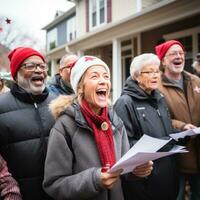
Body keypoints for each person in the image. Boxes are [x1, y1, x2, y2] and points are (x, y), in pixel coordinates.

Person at [43, 55, 153, 200]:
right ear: (80, 88)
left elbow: (124, 170)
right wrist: (95, 180)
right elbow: (54, 184)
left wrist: (136, 170)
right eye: (94, 76)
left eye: (106, 76)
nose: (103, 81)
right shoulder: (64, 127)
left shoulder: (115, 121)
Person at [114, 53, 179, 200]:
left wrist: (181, 135)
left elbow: (165, 131)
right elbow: (124, 144)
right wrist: (161, 143)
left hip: (168, 175)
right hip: (145, 182)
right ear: (137, 76)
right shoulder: (124, 103)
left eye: (157, 71)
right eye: (149, 72)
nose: (155, 75)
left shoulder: (160, 98)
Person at [0, 47, 56, 200]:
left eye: (42, 66)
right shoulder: (1, 106)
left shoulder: (58, 104)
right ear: (16, 74)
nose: (39, 70)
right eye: (30, 66)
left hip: (57, 194)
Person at [155, 40, 200, 200]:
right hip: (177, 154)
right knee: (177, 195)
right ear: (163, 60)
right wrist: (182, 126)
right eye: (173, 53)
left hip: (198, 150)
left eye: (181, 53)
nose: (179, 56)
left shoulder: (196, 81)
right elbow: (159, 117)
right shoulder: (157, 86)